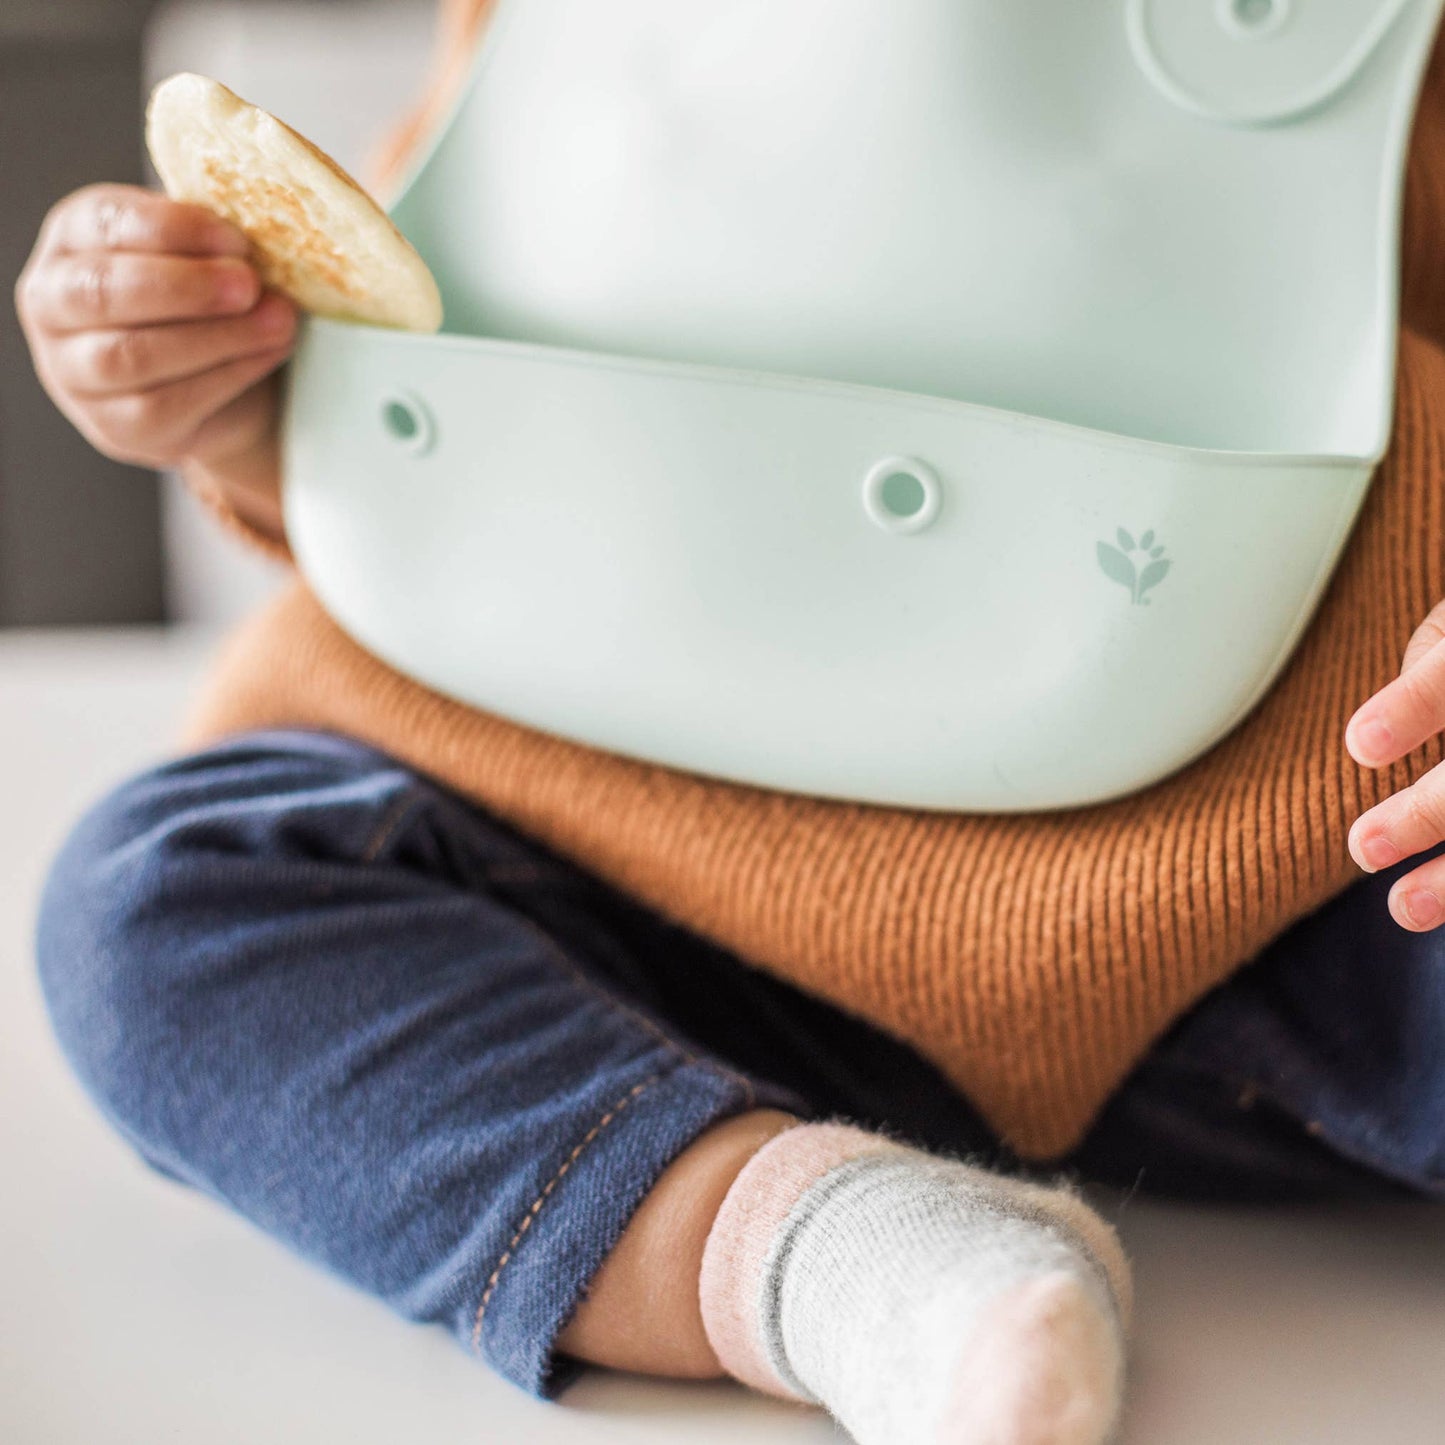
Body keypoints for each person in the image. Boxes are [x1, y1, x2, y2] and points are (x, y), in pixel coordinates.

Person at [16, 5, 1445, 1442]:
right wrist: (229, 390)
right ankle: (827, 1249)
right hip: (622, 887)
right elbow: (450, 332)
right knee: (155, 900)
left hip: (1267, 890)